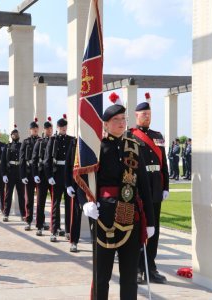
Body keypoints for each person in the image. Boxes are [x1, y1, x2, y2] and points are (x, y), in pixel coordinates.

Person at [82, 93, 155, 300]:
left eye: (124, 119)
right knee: (102, 275)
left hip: (131, 216)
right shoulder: (96, 148)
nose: (122, 123)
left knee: (129, 275)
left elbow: (144, 187)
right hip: (103, 215)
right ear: (105, 124)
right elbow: (81, 178)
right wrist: (84, 202)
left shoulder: (134, 147)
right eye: (116, 120)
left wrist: (150, 221)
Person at [130, 92, 170, 284]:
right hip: (139, 190)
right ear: (136, 115)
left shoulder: (158, 136)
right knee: (140, 229)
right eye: (143, 113)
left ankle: (150, 267)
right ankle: (138, 267)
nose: (147, 116)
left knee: (155, 230)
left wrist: (166, 186)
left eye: (149, 113)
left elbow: (164, 164)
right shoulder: (131, 136)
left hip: (155, 189)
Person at [44, 114, 74, 242]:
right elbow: (47, 159)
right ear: (57, 127)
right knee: (55, 204)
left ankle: (68, 230)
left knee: (69, 204)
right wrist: (49, 175)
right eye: (61, 126)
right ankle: (54, 231)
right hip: (56, 175)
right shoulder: (53, 140)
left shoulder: (72, 140)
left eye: (65, 126)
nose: (63, 128)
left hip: (68, 175)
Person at [32, 117, 53, 236]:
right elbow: (34, 160)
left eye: (51, 129)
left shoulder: (55, 141)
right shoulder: (40, 142)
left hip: (53, 175)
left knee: (54, 202)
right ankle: (39, 225)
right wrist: (35, 174)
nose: (50, 131)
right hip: (41, 175)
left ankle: (55, 227)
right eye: (48, 129)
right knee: (41, 202)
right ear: (44, 130)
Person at [1, 125, 25, 221]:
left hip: (19, 172)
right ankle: (6, 214)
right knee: (8, 195)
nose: (15, 135)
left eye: (16, 134)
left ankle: (23, 214)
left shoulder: (21, 146)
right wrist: (4, 174)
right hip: (10, 173)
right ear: (11, 136)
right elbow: (3, 162)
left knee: (21, 195)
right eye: (13, 134)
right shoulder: (7, 146)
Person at [20, 118, 40, 230]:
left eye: (36, 128)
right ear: (30, 130)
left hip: (38, 173)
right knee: (29, 200)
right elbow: (22, 159)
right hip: (28, 173)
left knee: (40, 200)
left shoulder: (41, 140)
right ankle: (28, 220)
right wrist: (22, 175)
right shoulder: (26, 142)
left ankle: (39, 221)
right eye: (33, 129)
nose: (35, 130)